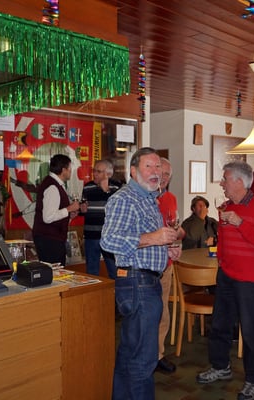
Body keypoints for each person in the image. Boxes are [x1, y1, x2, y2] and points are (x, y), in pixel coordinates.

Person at [100, 147, 180, 400]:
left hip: (144, 282)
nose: (156, 172)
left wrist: (166, 248)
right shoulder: (125, 198)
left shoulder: (148, 198)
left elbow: (143, 240)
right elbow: (109, 240)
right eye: (149, 166)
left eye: (158, 167)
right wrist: (154, 238)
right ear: (133, 171)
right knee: (143, 361)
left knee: (129, 355)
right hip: (138, 282)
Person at [196, 161, 254, 400]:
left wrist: (241, 223)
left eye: (225, 179)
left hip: (250, 281)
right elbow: (223, 241)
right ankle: (220, 367)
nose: (222, 183)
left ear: (239, 181)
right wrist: (222, 262)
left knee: (249, 332)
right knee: (219, 325)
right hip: (227, 277)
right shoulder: (226, 206)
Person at [156, 157, 185, 374]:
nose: (164, 177)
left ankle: (158, 354)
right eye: (161, 172)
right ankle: (146, 355)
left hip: (165, 264)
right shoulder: (143, 198)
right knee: (146, 314)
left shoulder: (171, 198)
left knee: (163, 311)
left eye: (167, 174)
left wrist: (179, 237)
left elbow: (175, 228)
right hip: (145, 265)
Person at [32, 154, 81, 266]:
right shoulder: (52, 187)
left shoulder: (54, 183)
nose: (71, 171)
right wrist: (69, 209)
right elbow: (48, 217)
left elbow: (54, 213)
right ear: (63, 170)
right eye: (69, 168)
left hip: (51, 238)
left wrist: (69, 215)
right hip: (49, 239)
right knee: (55, 271)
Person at [79, 159, 121, 278]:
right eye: (94, 171)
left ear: (109, 174)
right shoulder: (88, 187)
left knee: (114, 271)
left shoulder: (117, 187)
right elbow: (83, 209)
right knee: (91, 272)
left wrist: (106, 191)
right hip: (91, 235)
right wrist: (82, 210)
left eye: (99, 171)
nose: (95, 174)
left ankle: (116, 291)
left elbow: (120, 208)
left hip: (110, 236)